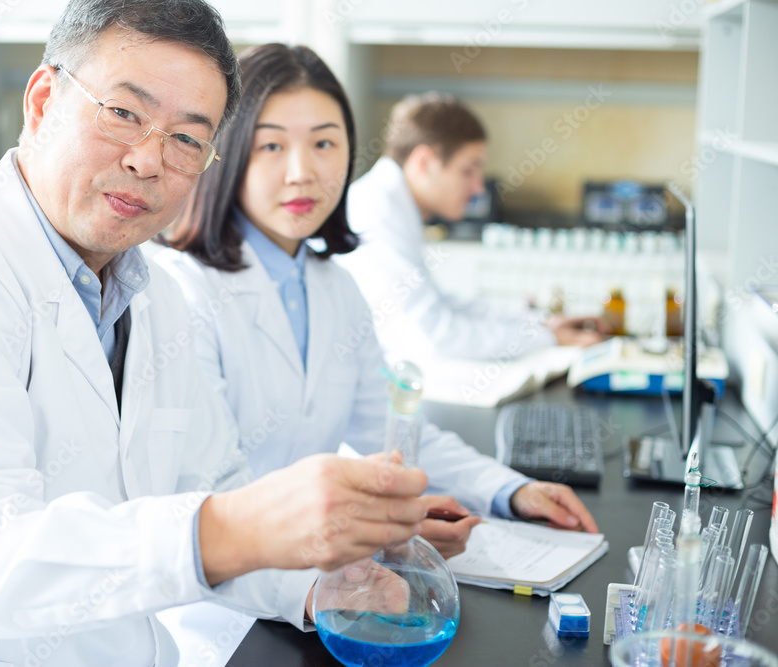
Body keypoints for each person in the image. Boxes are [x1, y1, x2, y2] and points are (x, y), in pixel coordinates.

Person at [0, 4, 434, 666]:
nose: (149, 159)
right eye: (123, 113)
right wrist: (233, 529)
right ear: (43, 100)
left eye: (187, 139)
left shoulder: (151, 299)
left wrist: (318, 583)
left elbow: (213, 482)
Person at [157, 44, 598, 565]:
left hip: (318, 587)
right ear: (225, 153)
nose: (302, 172)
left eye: (324, 142)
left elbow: (389, 431)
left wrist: (510, 490)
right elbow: (212, 496)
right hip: (225, 619)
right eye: (271, 146)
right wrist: (378, 532)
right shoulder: (179, 293)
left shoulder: (334, 287)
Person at [336, 92, 609, 362]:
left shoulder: (390, 204)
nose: (478, 187)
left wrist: (541, 324)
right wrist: (545, 338)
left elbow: (442, 306)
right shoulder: (377, 213)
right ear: (424, 162)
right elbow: (434, 337)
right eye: (468, 170)